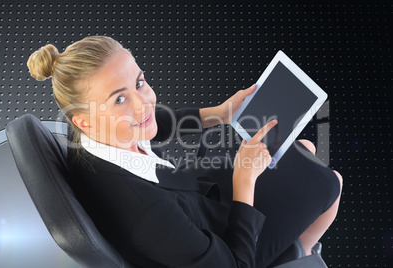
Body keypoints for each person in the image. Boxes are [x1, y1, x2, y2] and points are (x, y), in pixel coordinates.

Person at [27, 35, 343, 267]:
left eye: (139, 83)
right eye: (120, 99)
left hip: (188, 195)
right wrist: (244, 181)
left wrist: (220, 113)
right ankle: (293, 257)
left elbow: (156, 123)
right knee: (331, 181)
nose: (144, 104)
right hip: (225, 245)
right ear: (87, 120)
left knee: (301, 149)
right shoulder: (146, 214)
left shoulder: (86, 129)